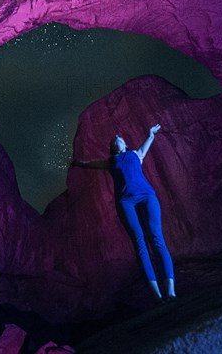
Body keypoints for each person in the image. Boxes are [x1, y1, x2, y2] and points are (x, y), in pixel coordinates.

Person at [69, 124, 177, 304]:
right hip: (126, 202)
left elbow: (148, 142)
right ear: (113, 148)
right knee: (140, 243)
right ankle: (157, 296)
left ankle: (171, 291)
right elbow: (90, 164)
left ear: (125, 143)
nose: (116, 137)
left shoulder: (136, 154)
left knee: (157, 238)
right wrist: (79, 163)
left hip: (147, 197)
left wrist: (150, 133)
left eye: (118, 137)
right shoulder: (111, 162)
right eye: (113, 140)